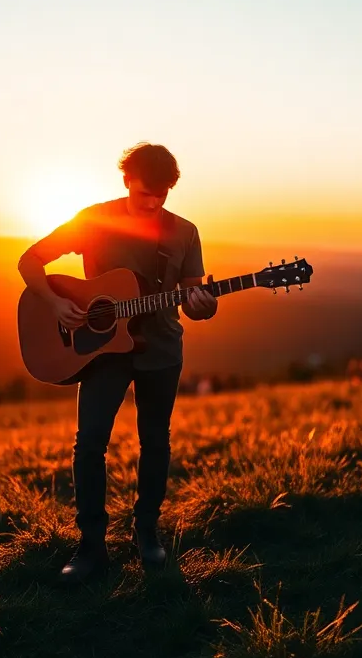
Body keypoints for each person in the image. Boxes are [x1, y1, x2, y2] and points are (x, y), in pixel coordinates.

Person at [18, 143, 218, 584]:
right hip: (101, 348)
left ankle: (147, 533)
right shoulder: (94, 220)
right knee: (89, 443)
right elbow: (29, 260)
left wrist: (204, 305)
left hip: (161, 349)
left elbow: (192, 300)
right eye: (147, 192)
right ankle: (90, 546)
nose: (155, 202)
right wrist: (53, 303)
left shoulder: (183, 232)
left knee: (156, 442)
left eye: (163, 194)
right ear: (127, 180)